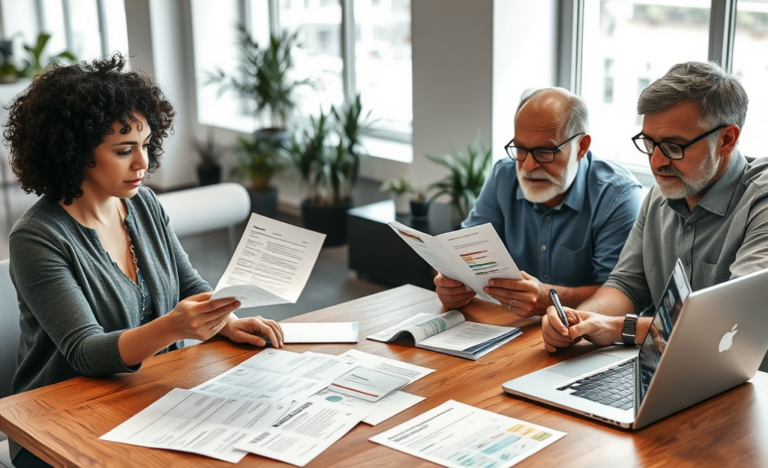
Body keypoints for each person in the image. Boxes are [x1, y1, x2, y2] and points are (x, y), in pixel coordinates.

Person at [5, 55, 284, 467]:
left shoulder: (143, 205)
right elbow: (84, 352)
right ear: (74, 152)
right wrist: (174, 326)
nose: (143, 163)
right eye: (124, 150)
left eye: (146, 144)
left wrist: (227, 323)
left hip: (150, 398)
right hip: (61, 423)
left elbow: (188, 285)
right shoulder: (37, 238)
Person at [542, 61, 768, 352]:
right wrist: (579, 319)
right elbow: (626, 286)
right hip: (667, 368)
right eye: (649, 143)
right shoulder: (660, 196)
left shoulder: (760, 202)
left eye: (674, 147)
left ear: (727, 139)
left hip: (750, 385)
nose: (657, 162)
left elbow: (733, 323)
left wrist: (617, 327)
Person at [435, 88, 643, 317]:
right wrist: (450, 285)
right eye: (521, 150)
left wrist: (550, 299)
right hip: (510, 327)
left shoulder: (618, 195)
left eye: (545, 152)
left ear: (581, 147)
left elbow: (621, 294)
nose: (529, 166)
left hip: (585, 336)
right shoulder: (503, 176)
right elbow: (462, 255)